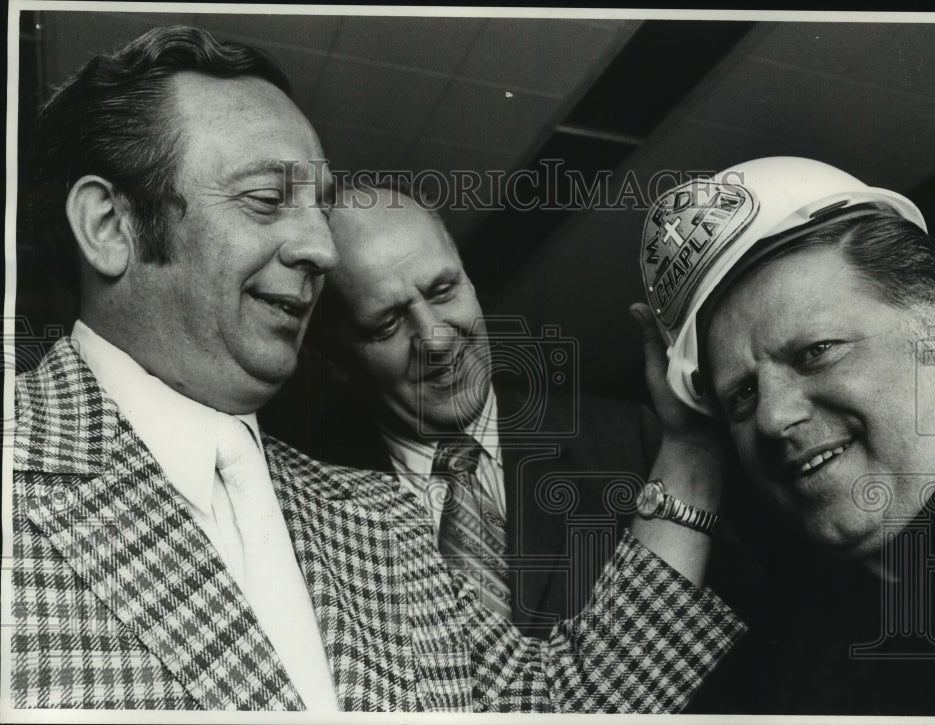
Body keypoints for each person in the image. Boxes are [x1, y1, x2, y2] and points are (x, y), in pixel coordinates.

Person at [10, 25, 744, 712]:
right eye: (267, 200)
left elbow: (558, 705)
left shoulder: (375, 516)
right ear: (111, 228)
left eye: (318, 208)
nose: (321, 251)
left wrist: (690, 448)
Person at [632, 156, 935, 715]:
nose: (772, 419)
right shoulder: (786, 646)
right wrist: (689, 448)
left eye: (815, 353)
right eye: (740, 396)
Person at [284, 182, 664, 637]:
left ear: (470, 278)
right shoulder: (302, 513)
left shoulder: (631, 439)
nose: (437, 340)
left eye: (444, 291)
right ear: (332, 359)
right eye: (386, 323)